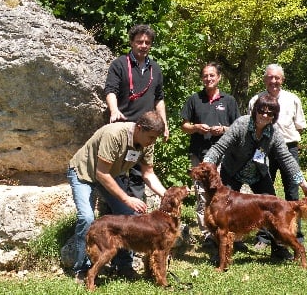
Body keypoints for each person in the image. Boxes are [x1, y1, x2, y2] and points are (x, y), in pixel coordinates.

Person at [203, 94, 307, 260]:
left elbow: (286, 159)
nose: (265, 115)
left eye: (270, 113)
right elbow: (219, 147)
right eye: (262, 111)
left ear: (274, 116)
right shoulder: (241, 124)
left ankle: (279, 249)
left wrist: (303, 183)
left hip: (259, 173)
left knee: (274, 211)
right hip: (233, 171)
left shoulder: (274, 133)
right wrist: (207, 165)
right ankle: (220, 251)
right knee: (222, 214)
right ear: (255, 110)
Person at [67, 111, 167, 283]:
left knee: (130, 216)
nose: (153, 142)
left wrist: (168, 196)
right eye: (151, 137)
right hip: (84, 173)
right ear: (139, 128)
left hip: (110, 175)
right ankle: (81, 269)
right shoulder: (114, 134)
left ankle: (123, 265)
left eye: (155, 138)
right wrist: (127, 198)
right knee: (87, 217)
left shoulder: (147, 142)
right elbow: (101, 173)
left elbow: (148, 174)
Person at [180, 62, 241, 251]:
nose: (208, 79)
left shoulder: (229, 100)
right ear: (202, 78)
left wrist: (223, 129)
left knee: (224, 195)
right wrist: (196, 127)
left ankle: (226, 231)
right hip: (200, 155)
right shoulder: (194, 99)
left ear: (219, 77)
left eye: (212, 75)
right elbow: (184, 126)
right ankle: (207, 234)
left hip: (224, 155)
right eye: (205, 75)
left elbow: (238, 128)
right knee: (202, 195)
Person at [104, 24, 169, 201]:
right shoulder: (119, 64)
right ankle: (118, 216)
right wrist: (114, 109)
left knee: (140, 174)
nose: (143, 45)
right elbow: (110, 90)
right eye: (139, 41)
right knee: (117, 172)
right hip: (125, 129)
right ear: (132, 42)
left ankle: (137, 219)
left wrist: (163, 124)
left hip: (148, 130)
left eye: (147, 42)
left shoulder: (155, 68)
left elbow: (159, 99)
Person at [248, 64, 307, 248]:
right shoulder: (255, 100)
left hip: (288, 148)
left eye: (277, 78)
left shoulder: (292, 99)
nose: (274, 81)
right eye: (270, 77)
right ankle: (264, 236)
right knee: (263, 194)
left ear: (283, 79)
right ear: (265, 79)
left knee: (292, 192)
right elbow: (250, 127)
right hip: (263, 150)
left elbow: (299, 126)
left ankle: (295, 234)